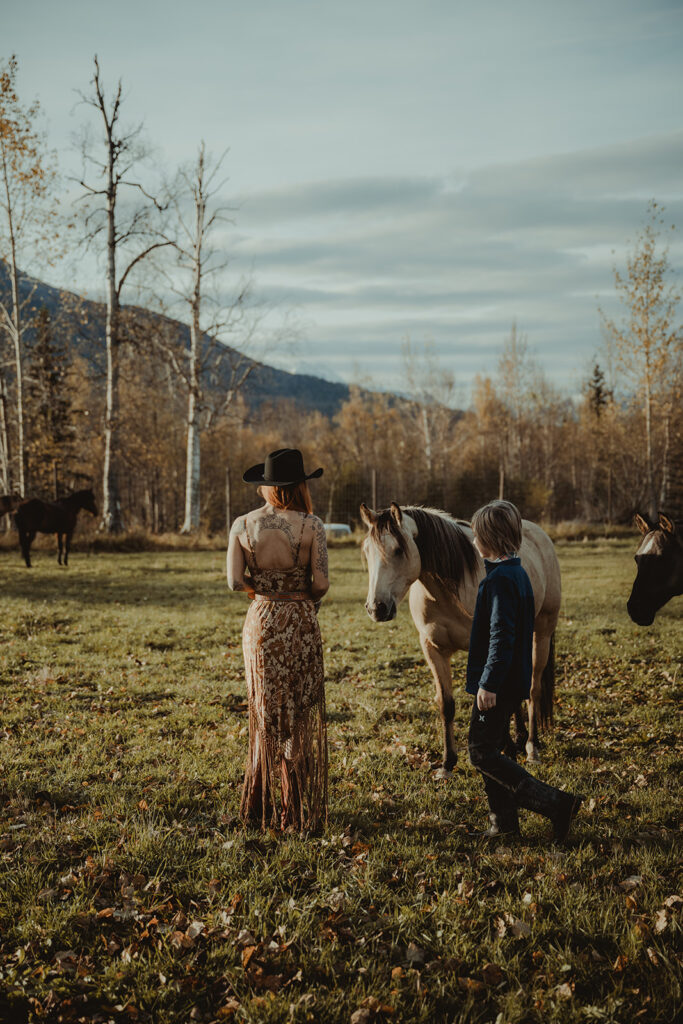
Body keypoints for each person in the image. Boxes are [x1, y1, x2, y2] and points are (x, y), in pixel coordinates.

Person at [466, 499, 582, 842]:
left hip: (498, 683)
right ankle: (504, 825)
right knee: (491, 750)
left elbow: (501, 638)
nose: (473, 542)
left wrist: (487, 683)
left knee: (479, 751)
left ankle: (556, 804)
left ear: (490, 540)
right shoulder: (517, 574)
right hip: (513, 680)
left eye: (477, 536)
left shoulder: (500, 581)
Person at [227, 448, 329, 832]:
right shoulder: (311, 525)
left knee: (264, 711)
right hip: (300, 619)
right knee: (298, 714)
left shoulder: (242, 525)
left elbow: (235, 581)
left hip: (262, 620)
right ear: (299, 485)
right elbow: (320, 583)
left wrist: (263, 590)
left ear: (267, 487)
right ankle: (294, 811)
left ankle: (256, 807)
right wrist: (299, 595)